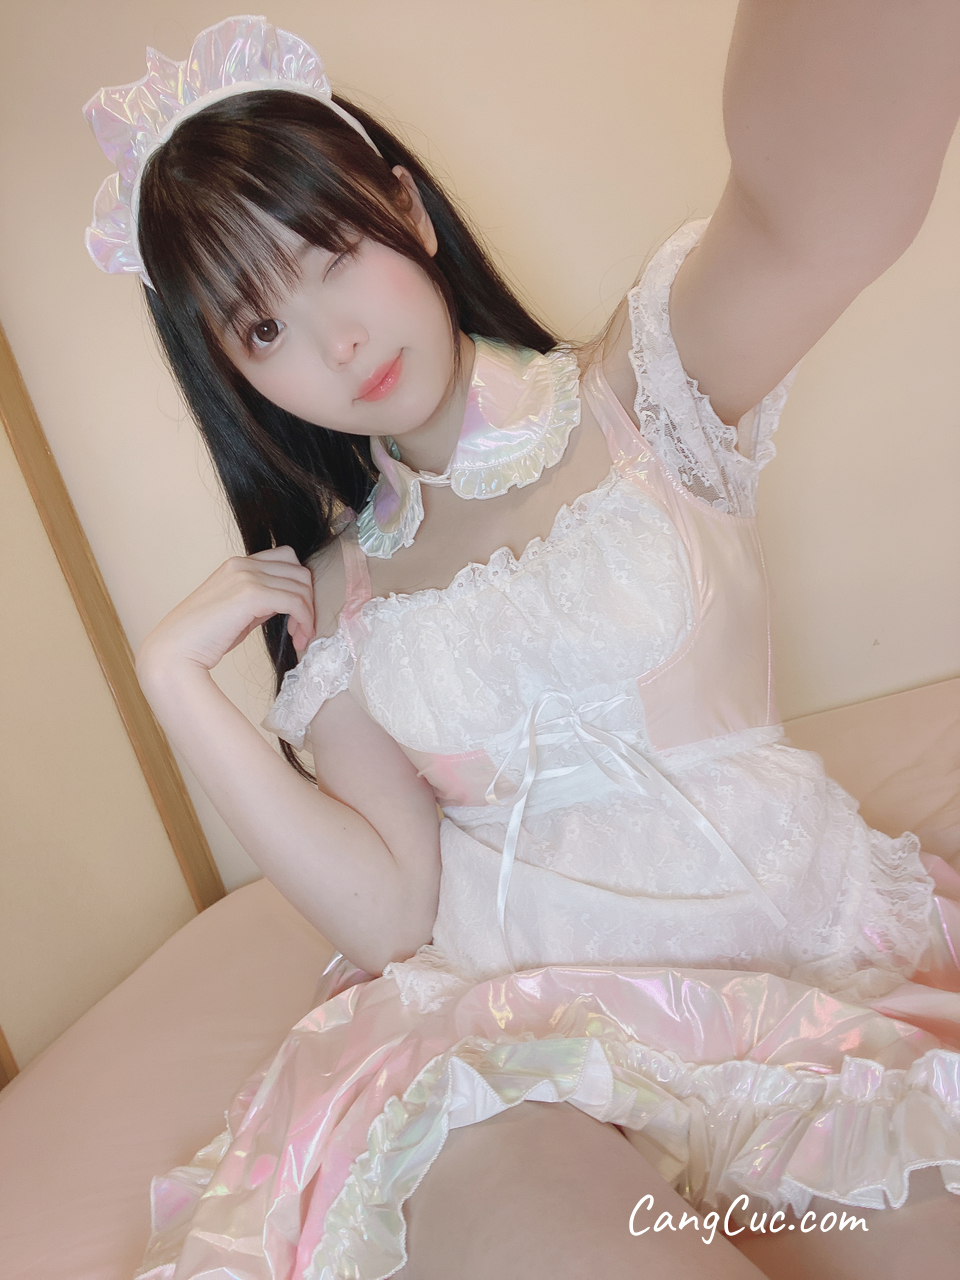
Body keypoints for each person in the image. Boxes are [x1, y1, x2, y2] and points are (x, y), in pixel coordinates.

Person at [82, 9, 960, 1279]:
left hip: (806, 988)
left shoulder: (645, 392)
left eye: (334, 251)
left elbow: (812, 211)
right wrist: (175, 686)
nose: (334, 340)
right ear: (234, 375)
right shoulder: (336, 596)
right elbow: (393, 913)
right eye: (260, 328)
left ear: (407, 208)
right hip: (516, 1052)